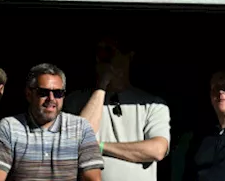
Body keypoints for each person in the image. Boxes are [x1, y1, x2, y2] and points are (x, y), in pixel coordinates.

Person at [70, 38, 171, 181]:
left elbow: (157, 150)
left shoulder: (152, 104)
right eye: (99, 51)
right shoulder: (76, 100)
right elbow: (80, 140)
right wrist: (102, 85)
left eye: (109, 51)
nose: (102, 57)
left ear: (128, 56)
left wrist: (100, 146)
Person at [0, 63, 104, 181]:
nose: (51, 98)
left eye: (58, 93)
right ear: (28, 94)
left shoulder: (81, 127)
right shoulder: (9, 127)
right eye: (43, 93)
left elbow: (93, 178)